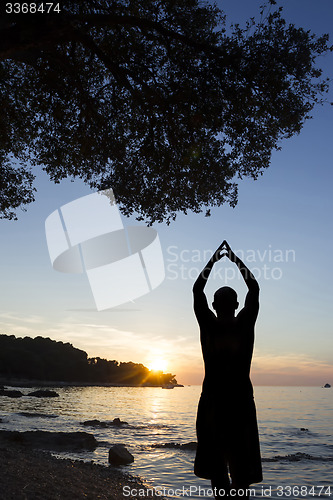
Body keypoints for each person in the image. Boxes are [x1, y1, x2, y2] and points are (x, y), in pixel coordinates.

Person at [193, 240, 262, 500]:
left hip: (214, 402)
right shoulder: (244, 325)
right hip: (239, 402)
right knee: (240, 472)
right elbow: (254, 287)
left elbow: (197, 288)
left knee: (218, 471)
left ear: (213, 304)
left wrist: (213, 261)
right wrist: (234, 260)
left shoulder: (208, 325)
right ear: (236, 305)